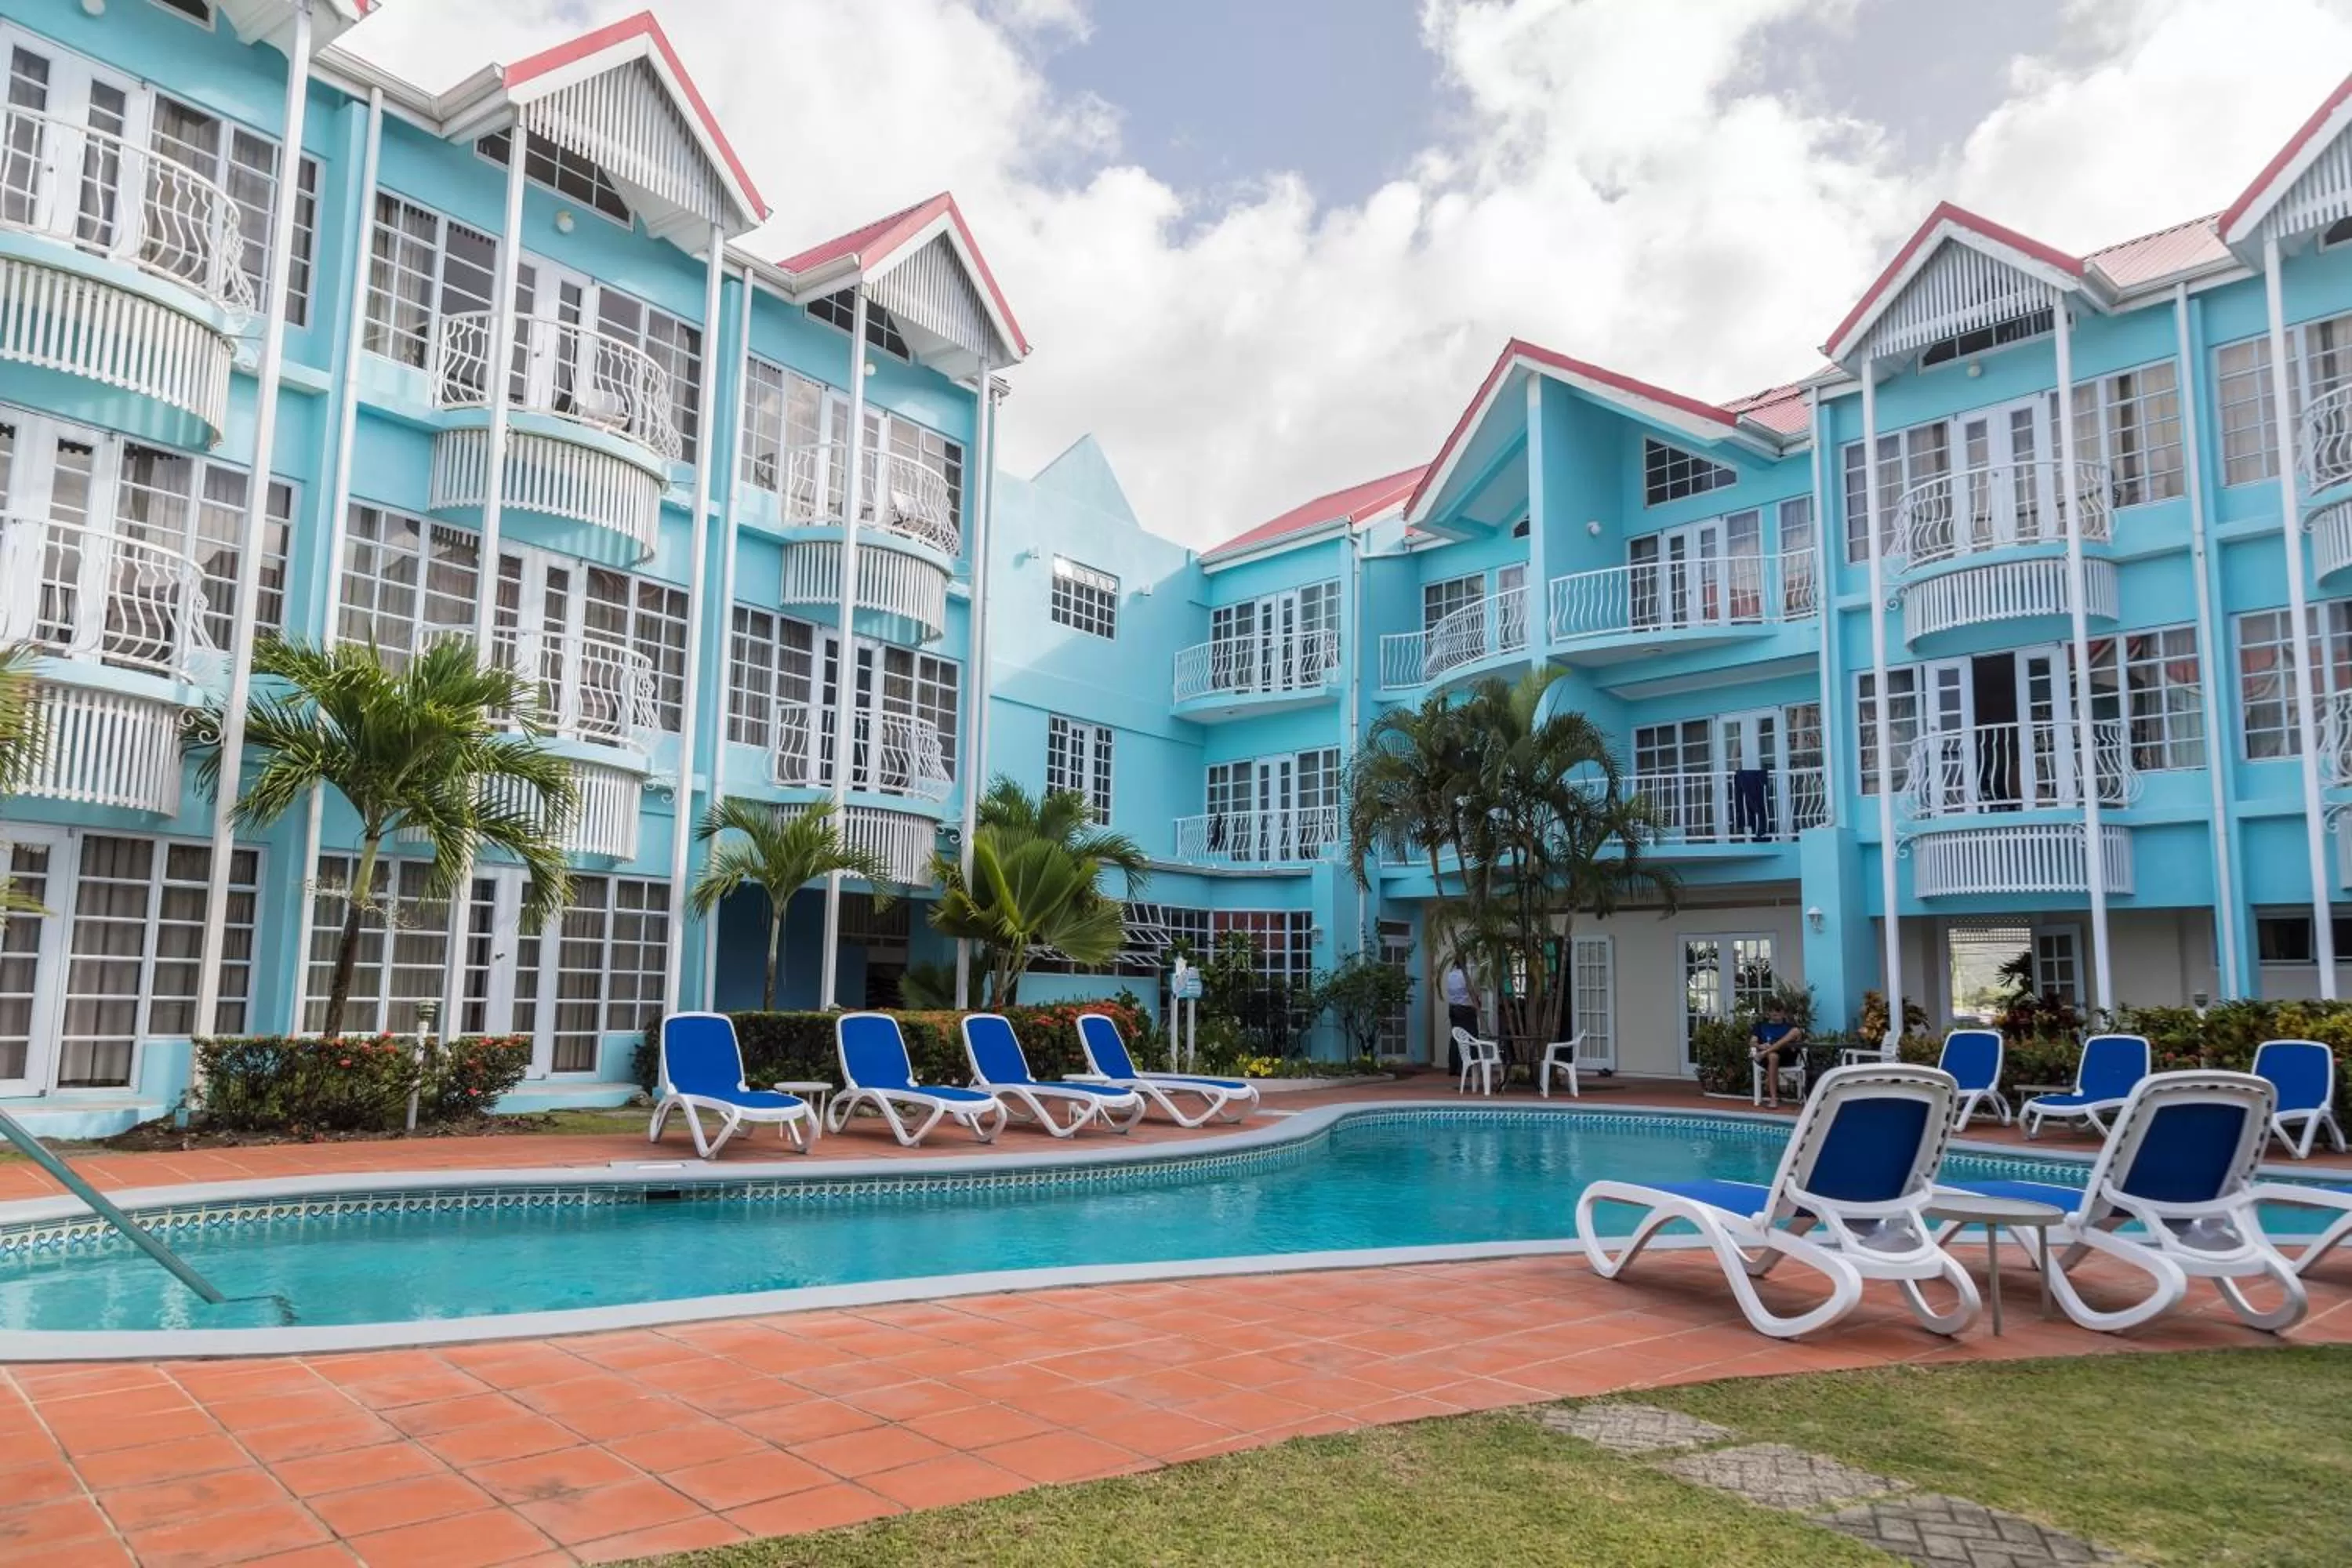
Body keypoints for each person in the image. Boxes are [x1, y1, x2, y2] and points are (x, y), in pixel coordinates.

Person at [1748, 1000, 1806, 1109]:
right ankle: (1773, 1098)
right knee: (1773, 1056)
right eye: (1772, 1011)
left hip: (1786, 1055)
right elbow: (1752, 1042)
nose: (1775, 1013)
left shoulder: (1789, 1027)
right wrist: (1761, 1046)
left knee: (1796, 1031)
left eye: (1778, 1011)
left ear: (1784, 1013)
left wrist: (1766, 1051)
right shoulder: (1761, 1026)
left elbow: (1798, 1040)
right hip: (1767, 1058)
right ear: (1768, 1013)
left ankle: (1768, 1051)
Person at [1443, 961, 1479, 1061]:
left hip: (1453, 1008)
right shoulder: (1465, 976)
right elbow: (1472, 992)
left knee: (1456, 1036)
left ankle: (1454, 1066)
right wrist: (1477, 1003)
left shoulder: (1450, 975)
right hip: (1465, 1009)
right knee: (1471, 1037)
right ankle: (1470, 1064)